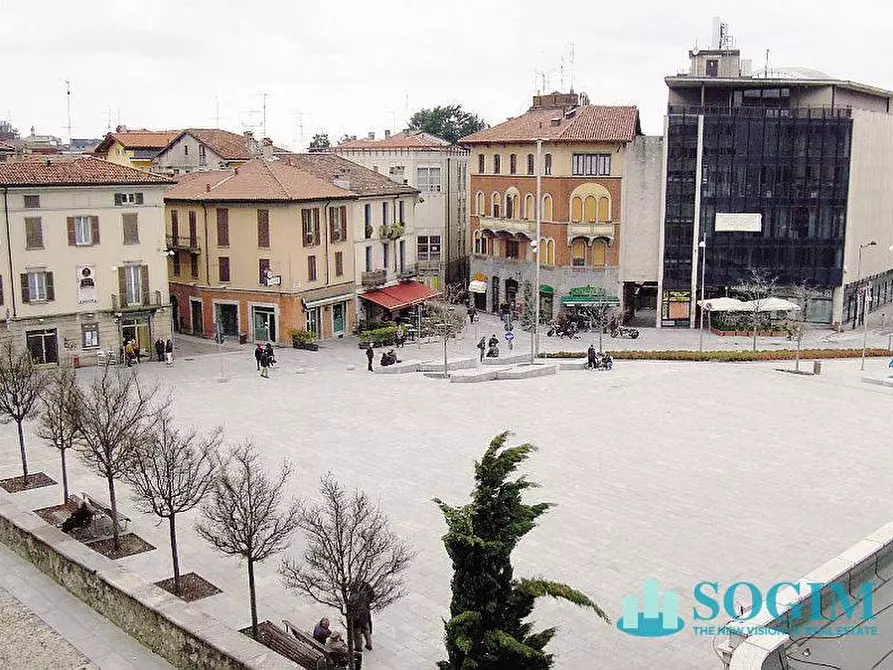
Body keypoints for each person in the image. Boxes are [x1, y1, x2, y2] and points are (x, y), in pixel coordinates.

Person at [350, 582, 374, 651]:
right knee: (366, 630)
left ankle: (358, 647)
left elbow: (351, 607)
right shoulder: (364, 592)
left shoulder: (353, 597)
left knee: (357, 633)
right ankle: (369, 645)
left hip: (357, 618)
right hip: (365, 615)